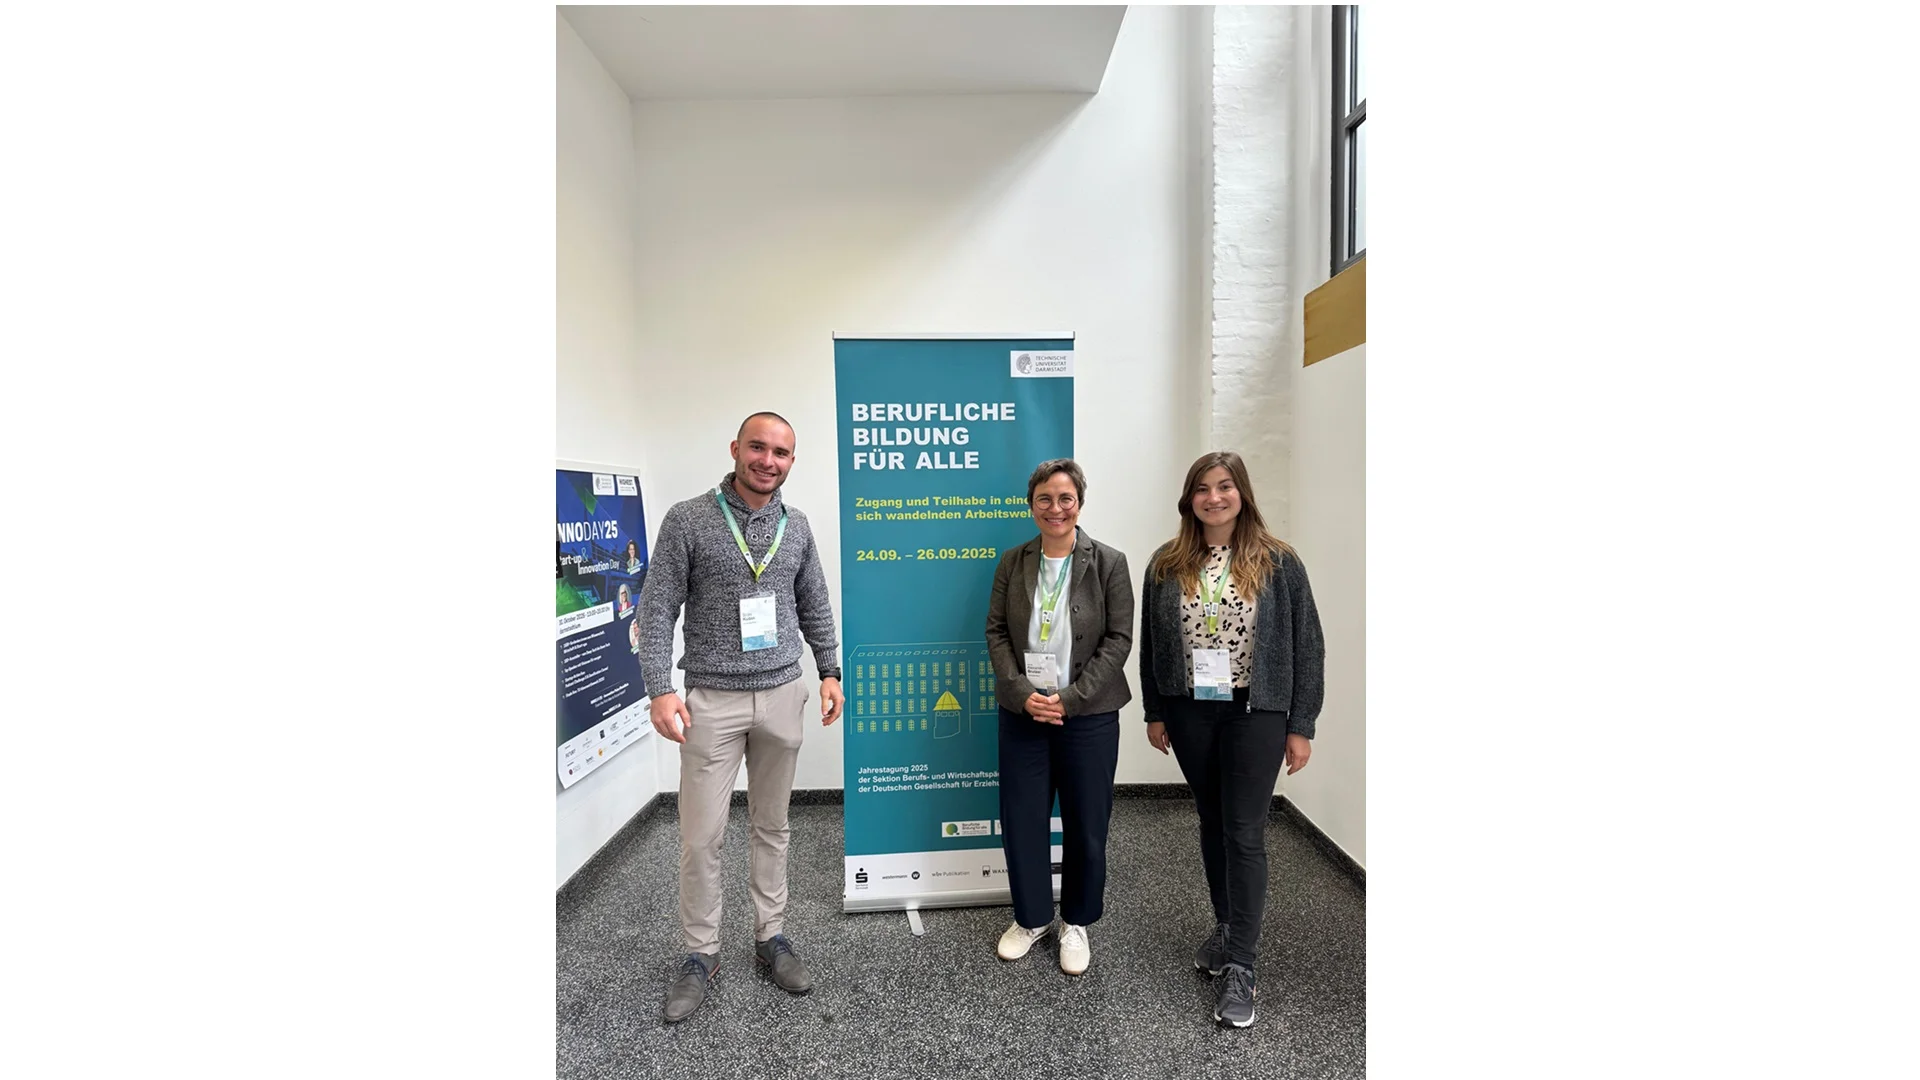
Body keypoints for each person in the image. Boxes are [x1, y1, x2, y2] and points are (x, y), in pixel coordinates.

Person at [636, 411, 846, 1023]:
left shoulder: (795, 526)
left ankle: (770, 936)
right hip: (712, 700)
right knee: (701, 835)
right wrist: (659, 688)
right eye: (758, 447)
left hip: (781, 693)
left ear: (791, 461)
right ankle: (700, 952)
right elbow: (657, 609)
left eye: (781, 452)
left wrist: (829, 670)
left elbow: (814, 601)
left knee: (772, 826)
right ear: (735, 448)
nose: (768, 461)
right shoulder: (688, 519)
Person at [1139, 450, 1325, 1028]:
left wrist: (1301, 724)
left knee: (1244, 832)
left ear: (1242, 493)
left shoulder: (1278, 562)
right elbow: (1152, 645)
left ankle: (1242, 964)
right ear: (1188, 498)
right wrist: (1155, 710)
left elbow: (1308, 646)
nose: (1213, 497)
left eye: (1224, 486)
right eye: (1202, 488)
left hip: (1256, 711)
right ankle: (1225, 928)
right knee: (1212, 820)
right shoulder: (1166, 563)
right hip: (1189, 711)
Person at [984, 458, 1134, 976]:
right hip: (1023, 712)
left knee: (1087, 823)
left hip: (1088, 715)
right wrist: (1021, 692)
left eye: (1065, 498)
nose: (1055, 508)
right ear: (1031, 506)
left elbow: (1119, 639)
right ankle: (1031, 919)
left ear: (1080, 504)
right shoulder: (1013, 562)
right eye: (1044, 499)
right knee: (1023, 819)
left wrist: (1071, 698)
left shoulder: (1109, 562)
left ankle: (1076, 921)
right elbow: (996, 632)